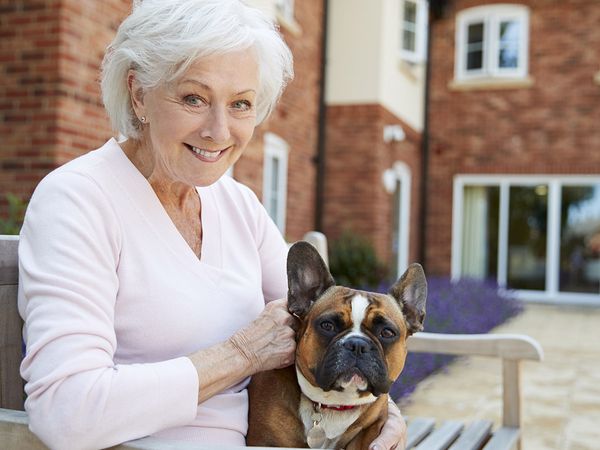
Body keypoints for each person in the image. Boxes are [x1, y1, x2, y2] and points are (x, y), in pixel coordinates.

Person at [17, 0, 407, 449]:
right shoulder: (78, 200)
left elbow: (321, 329)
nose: (219, 131)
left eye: (241, 104)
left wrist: (379, 409)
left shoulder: (237, 204)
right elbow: (67, 411)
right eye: (194, 98)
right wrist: (239, 356)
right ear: (139, 94)